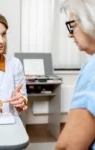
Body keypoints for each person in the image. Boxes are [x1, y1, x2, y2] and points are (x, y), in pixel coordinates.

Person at [55, 0, 95, 150]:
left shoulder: (93, 68)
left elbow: (68, 146)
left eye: (72, 26)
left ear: (90, 20)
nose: (69, 35)